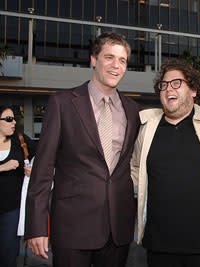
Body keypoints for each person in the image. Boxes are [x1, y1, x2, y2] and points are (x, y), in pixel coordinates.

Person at [24, 32, 140, 267]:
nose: (116, 65)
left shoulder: (133, 110)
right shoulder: (63, 103)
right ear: (93, 60)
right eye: (109, 57)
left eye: (122, 60)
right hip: (72, 228)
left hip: (117, 228)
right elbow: (43, 170)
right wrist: (36, 226)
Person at [130, 59, 200, 267]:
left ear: (194, 90)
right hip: (160, 247)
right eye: (164, 84)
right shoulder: (147, 127)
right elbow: (135, 171)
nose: (168, 88)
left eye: (177, 83)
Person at [0, 105, 36, 267]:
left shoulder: (21, 140)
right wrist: (3, 167)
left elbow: (44, 155)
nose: (14, 122)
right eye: (8, 119)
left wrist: (33, 169)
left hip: (11, 209)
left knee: (8, 252)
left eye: (14, 118)